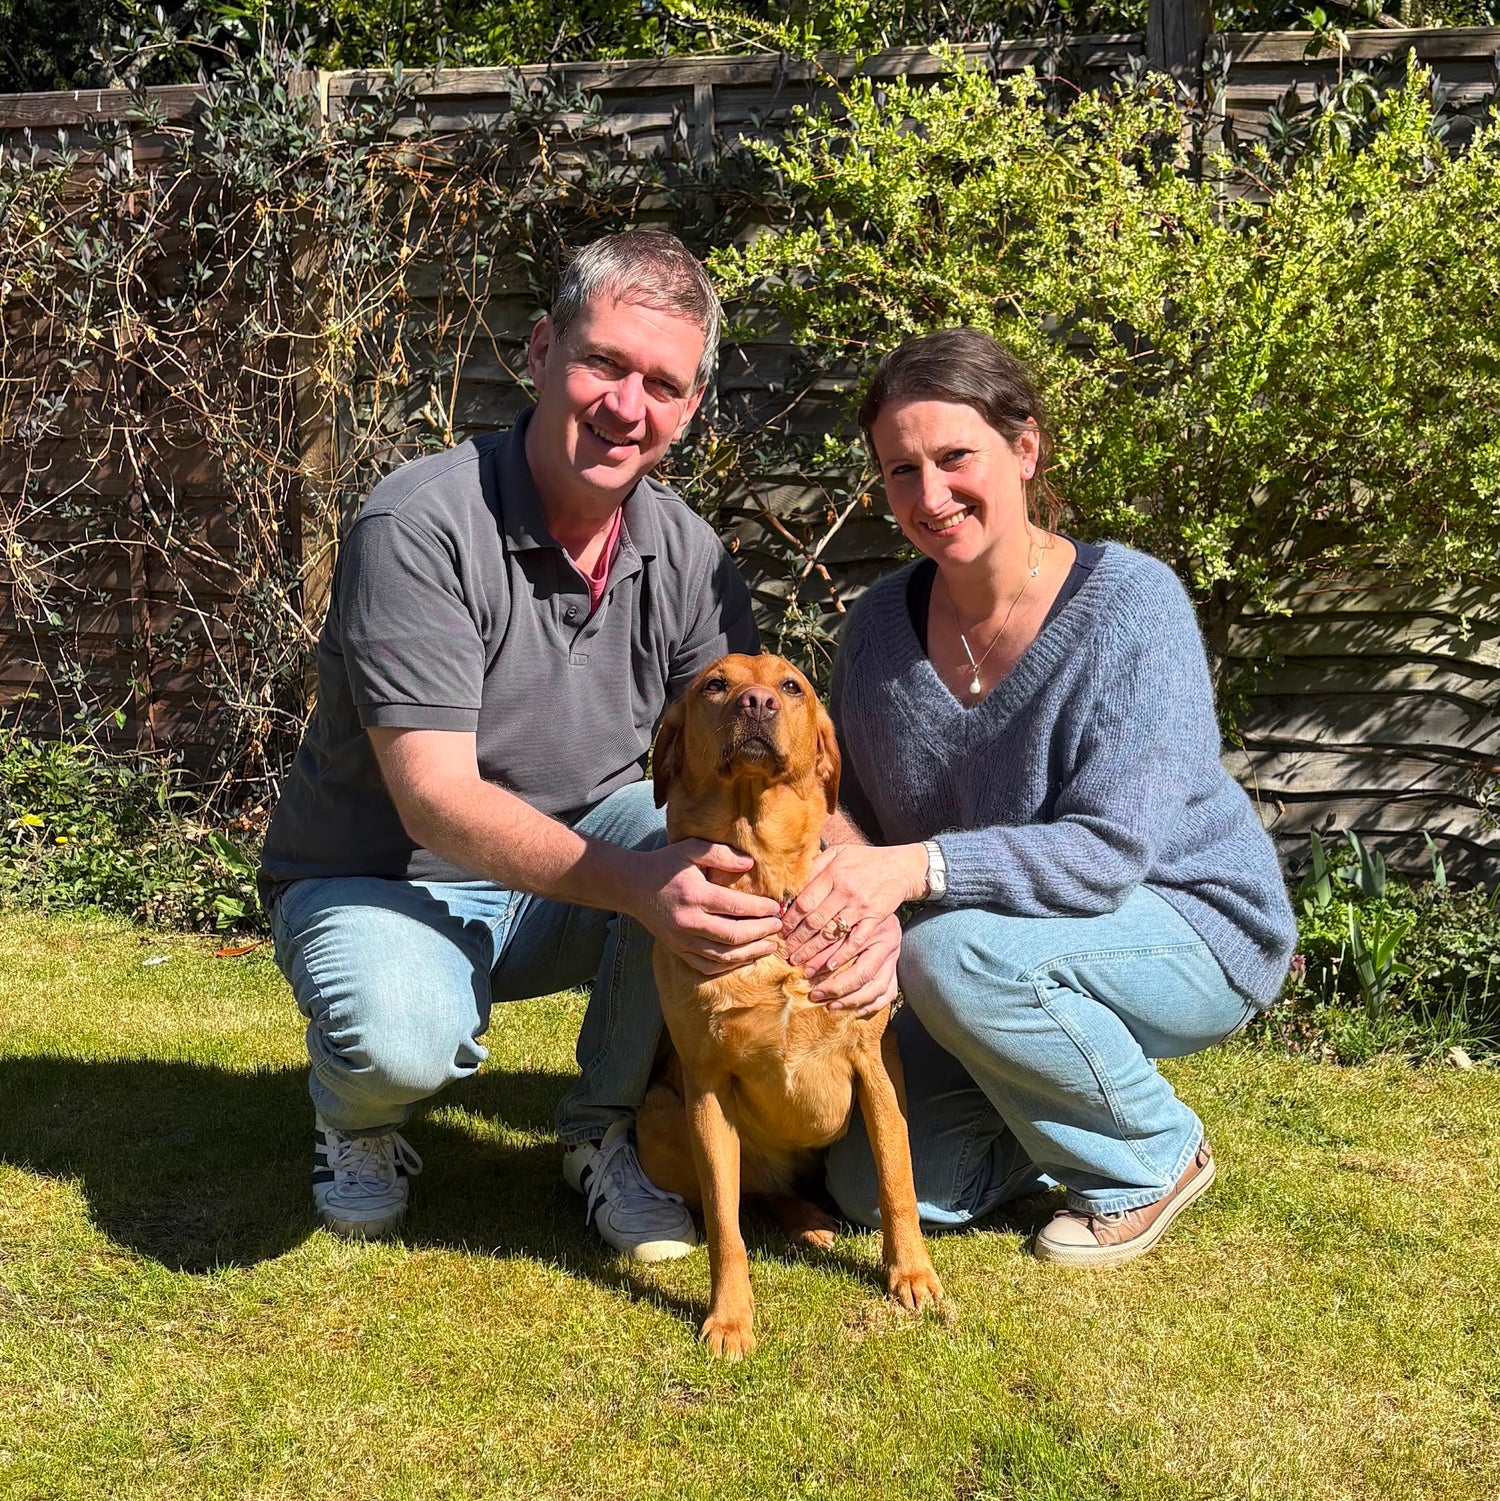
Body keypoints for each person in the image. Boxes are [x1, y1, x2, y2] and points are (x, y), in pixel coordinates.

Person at [258, 231, 885, 1258]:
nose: (626, 405)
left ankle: (604, 1133)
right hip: (387, 874)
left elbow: (767, 766)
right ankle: (357, 1120)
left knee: (711, 842)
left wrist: (857, 895)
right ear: (543, 351)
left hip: (573, 873)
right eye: (604, 363)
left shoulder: (688, 555)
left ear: (689, 407)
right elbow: (433, 798)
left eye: (662, 384)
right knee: (400, 1038)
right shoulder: (420, 524)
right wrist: (640, 885)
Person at [781, 327, 1297, 1268]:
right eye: (901, 471)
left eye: (955, 457)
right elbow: (836, 800)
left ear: (1024, 449)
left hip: (1189, 923)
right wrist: (862, 896)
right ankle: (1044, 1110)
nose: (931, 495)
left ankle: (1152, 1154)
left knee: (953, 956)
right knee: (872, 1186)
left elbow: (1108, 854)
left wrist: (913, 874)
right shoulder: (879, 628)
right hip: (991, 943)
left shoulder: (1131, 606)